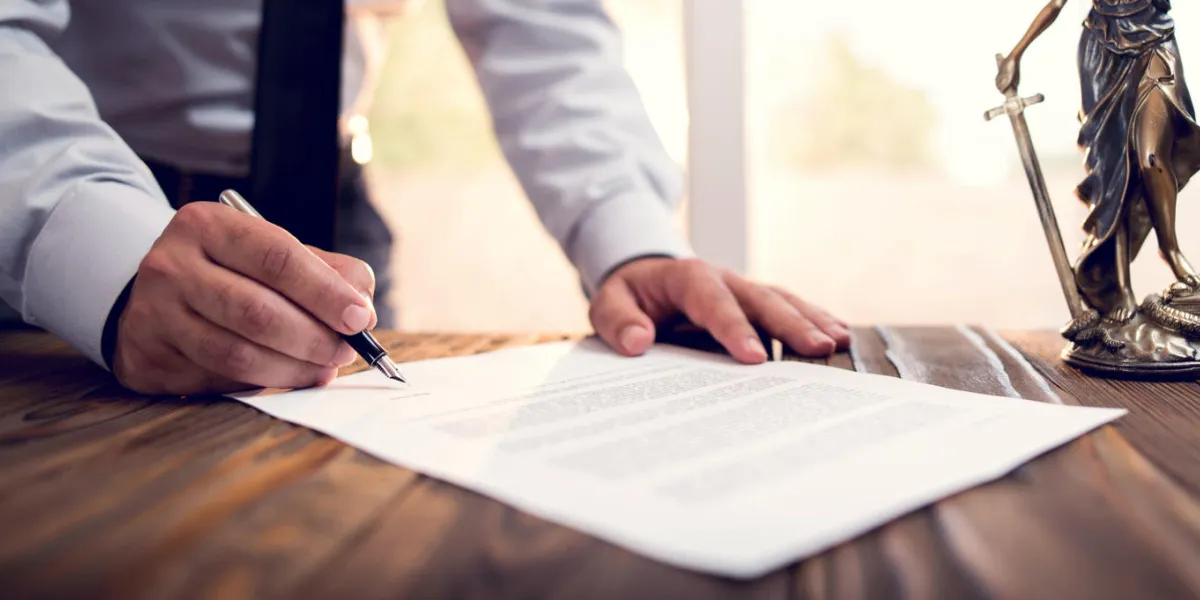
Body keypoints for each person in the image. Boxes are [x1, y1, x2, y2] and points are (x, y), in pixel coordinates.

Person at [0, 0, 850, 396]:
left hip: (334, 210)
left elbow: (539, 24)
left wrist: (633, 242)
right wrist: (106, 254)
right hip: (72, 215)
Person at [997, 0, 1200, 323]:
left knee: (1152, 159)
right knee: (1113, 171)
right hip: (1103, 51)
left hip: (1155, 41)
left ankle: (1170, 250)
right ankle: (1120, 286)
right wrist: (1015, 56)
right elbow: (1056, 4)